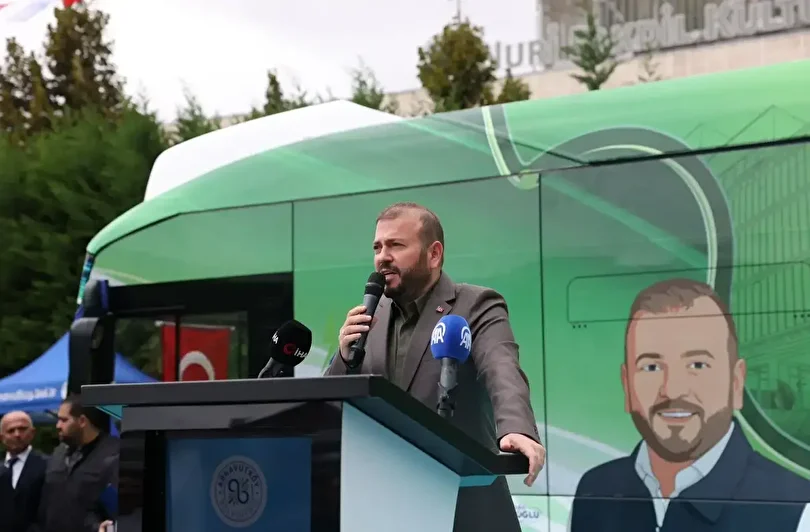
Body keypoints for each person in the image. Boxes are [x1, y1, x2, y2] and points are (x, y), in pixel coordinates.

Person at [324, 201, 545, 532]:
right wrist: (344, 358)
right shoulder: (370, 318)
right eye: (377, 247)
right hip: (384, 507)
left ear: (434, 254)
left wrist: (517, 428)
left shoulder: (476, 305)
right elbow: (332, 405)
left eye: (396, 245)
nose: (383, 257)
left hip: (465, 508)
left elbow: (502, 369)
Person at [570, 278, 810, 532]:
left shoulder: (797, 510)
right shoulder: (594, 491)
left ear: (736, 382)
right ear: (627, 385)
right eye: (651, 367)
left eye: (697, 365)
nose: (673, 389)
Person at [38, 395, 119, 532]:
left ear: (82, 421)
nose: (58, 426)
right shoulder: (59, 453)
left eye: (64, 420)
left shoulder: (112, 454)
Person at [0, 410, 47, 532]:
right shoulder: (2, 469)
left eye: (22, 429)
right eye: (11, 431)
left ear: (32, 432)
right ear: (2, 437)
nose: (17, 434)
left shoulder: (48, 465)